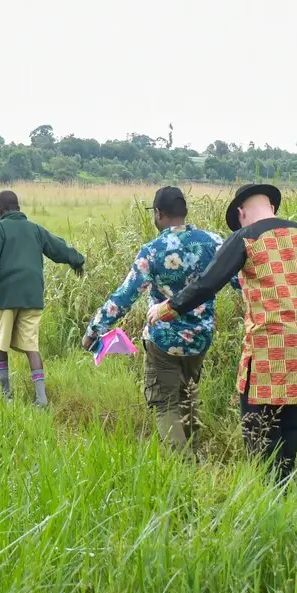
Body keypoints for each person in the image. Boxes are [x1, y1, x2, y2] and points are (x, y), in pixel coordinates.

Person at [149, 184, 297, 483]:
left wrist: (167, 308)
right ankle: (284, 483)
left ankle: (264, 488)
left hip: (268, 342)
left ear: (241, 212)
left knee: (256, 418)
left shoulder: (245, 238)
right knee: (289, 418)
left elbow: (207, 283)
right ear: (272, 207)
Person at [81, 186, 235, 454]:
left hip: (164, 339)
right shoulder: (214, 242)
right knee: (187, 395)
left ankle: (183, 466)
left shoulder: (152, 251)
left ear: (159, 214)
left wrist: (95, 330)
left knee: (165, 404)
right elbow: (239, 281)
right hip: (200, 339)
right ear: (184, 212)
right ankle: (195, 454)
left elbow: (124, 296)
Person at [0, 189, 86, 407]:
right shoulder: (34, 229)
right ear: (18, 207)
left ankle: (6, 394)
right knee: (31, 345)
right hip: (32, 296)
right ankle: (41, 398)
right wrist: (77, 261)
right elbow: (58, 247)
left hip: (5, 296)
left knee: (0, 342)